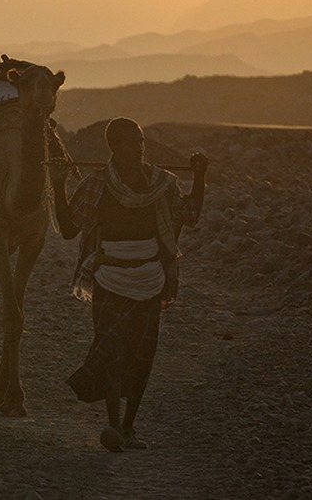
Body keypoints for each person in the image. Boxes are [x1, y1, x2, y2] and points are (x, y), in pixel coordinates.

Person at [51, 117, 207, 451]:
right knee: (114, 355)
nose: (138, 148)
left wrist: (200, 176)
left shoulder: (160, 184)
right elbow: (67, 228)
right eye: (130, 142)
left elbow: (190, 214)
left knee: (142, 357)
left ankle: (128, 427)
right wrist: (58, 185)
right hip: (110, 278)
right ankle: (113, 426)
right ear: (113, 147)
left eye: (140, 141)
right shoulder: (97, 185)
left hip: (150, 279)